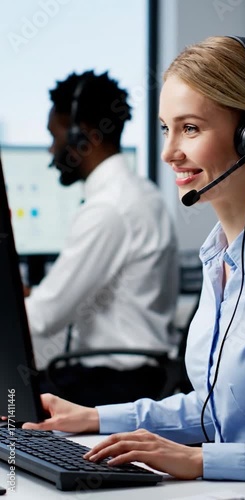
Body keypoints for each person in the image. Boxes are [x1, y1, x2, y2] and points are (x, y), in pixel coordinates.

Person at [23, 36, 245, 483]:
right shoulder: (221, 255)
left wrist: (203, 461)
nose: (168, 153)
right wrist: (94, 418)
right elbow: (215, 407)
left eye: (191, 128)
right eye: (166, 129)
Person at [24, 70, 179, 407]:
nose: (52, 150)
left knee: (11, 395)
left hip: (114, 383)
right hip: (138, 375)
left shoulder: (109, 208)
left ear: (86, 137)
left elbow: (42, 318)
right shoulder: (140, 192)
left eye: (55, 135)